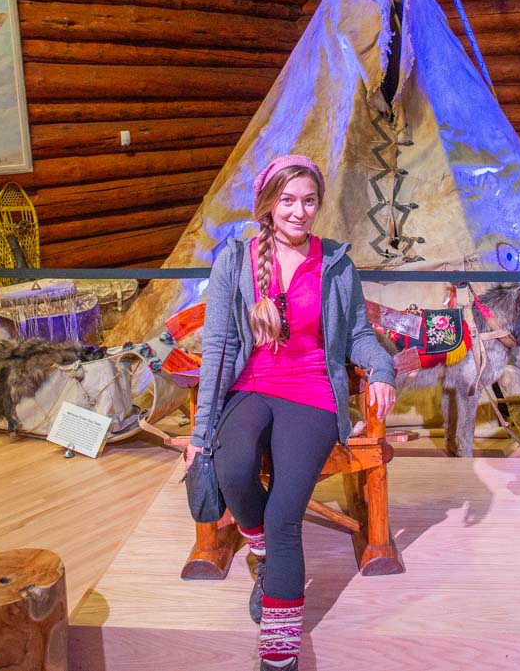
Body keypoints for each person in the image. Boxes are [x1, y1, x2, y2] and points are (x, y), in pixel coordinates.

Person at [185, 154, 396, 671]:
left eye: (308, 200)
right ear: (268, 204)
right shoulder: (235, 260)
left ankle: (279, 653)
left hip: (311, 394)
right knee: (233, 471)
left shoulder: (336, 264)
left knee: (283, 517)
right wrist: (199, 431)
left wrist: (384, 371)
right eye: (288, 200)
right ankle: (261, 553)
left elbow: (359, 336)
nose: (299, 211)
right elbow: (217, 349)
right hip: (252, 387)